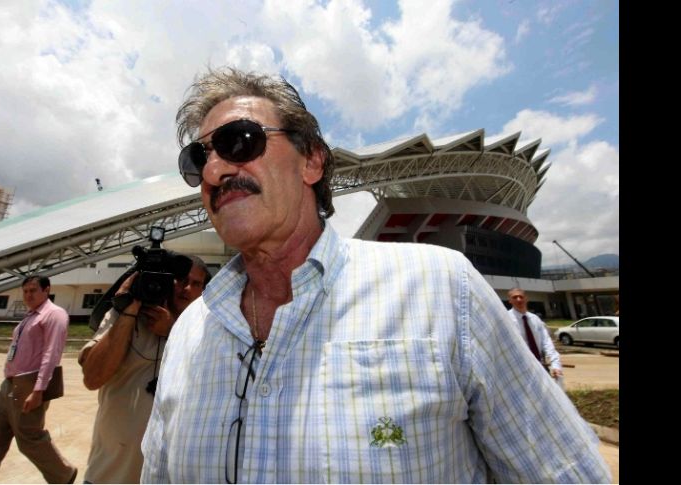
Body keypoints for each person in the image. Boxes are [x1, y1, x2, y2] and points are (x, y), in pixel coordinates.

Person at [140, 67, 612, 483]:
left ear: (312, 161)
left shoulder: (442, 291)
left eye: (238, 141)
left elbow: (562, 473)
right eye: (198, 160)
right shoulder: (189, 332)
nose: (215, 169)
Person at [78, 255, 211, 483]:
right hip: (111, 472)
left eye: (196, 283)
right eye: (180, 279)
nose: (186, 288)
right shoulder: (125, 315)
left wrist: (172, 330)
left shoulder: (209, 328)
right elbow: (93, 377)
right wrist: (129, 310)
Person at [0, 276, 77, 484]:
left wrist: (38, 390)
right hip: (8, 385)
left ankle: (63, 475)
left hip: (28, 386)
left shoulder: (54, 315)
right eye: (25, 291)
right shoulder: (29, 317)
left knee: (29, 439)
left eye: (33, 290)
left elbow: (51, 354)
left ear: (46, 290)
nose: (28, 295)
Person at [507, 287, 564, 379]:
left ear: (526, 298)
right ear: (509, 300)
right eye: (515, 297)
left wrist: (555, 364)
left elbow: (547, 342)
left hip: (540, 366)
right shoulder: (506, 320)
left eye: (521, 296)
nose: (519, 299)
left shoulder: (535, 319)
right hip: (519, 369)